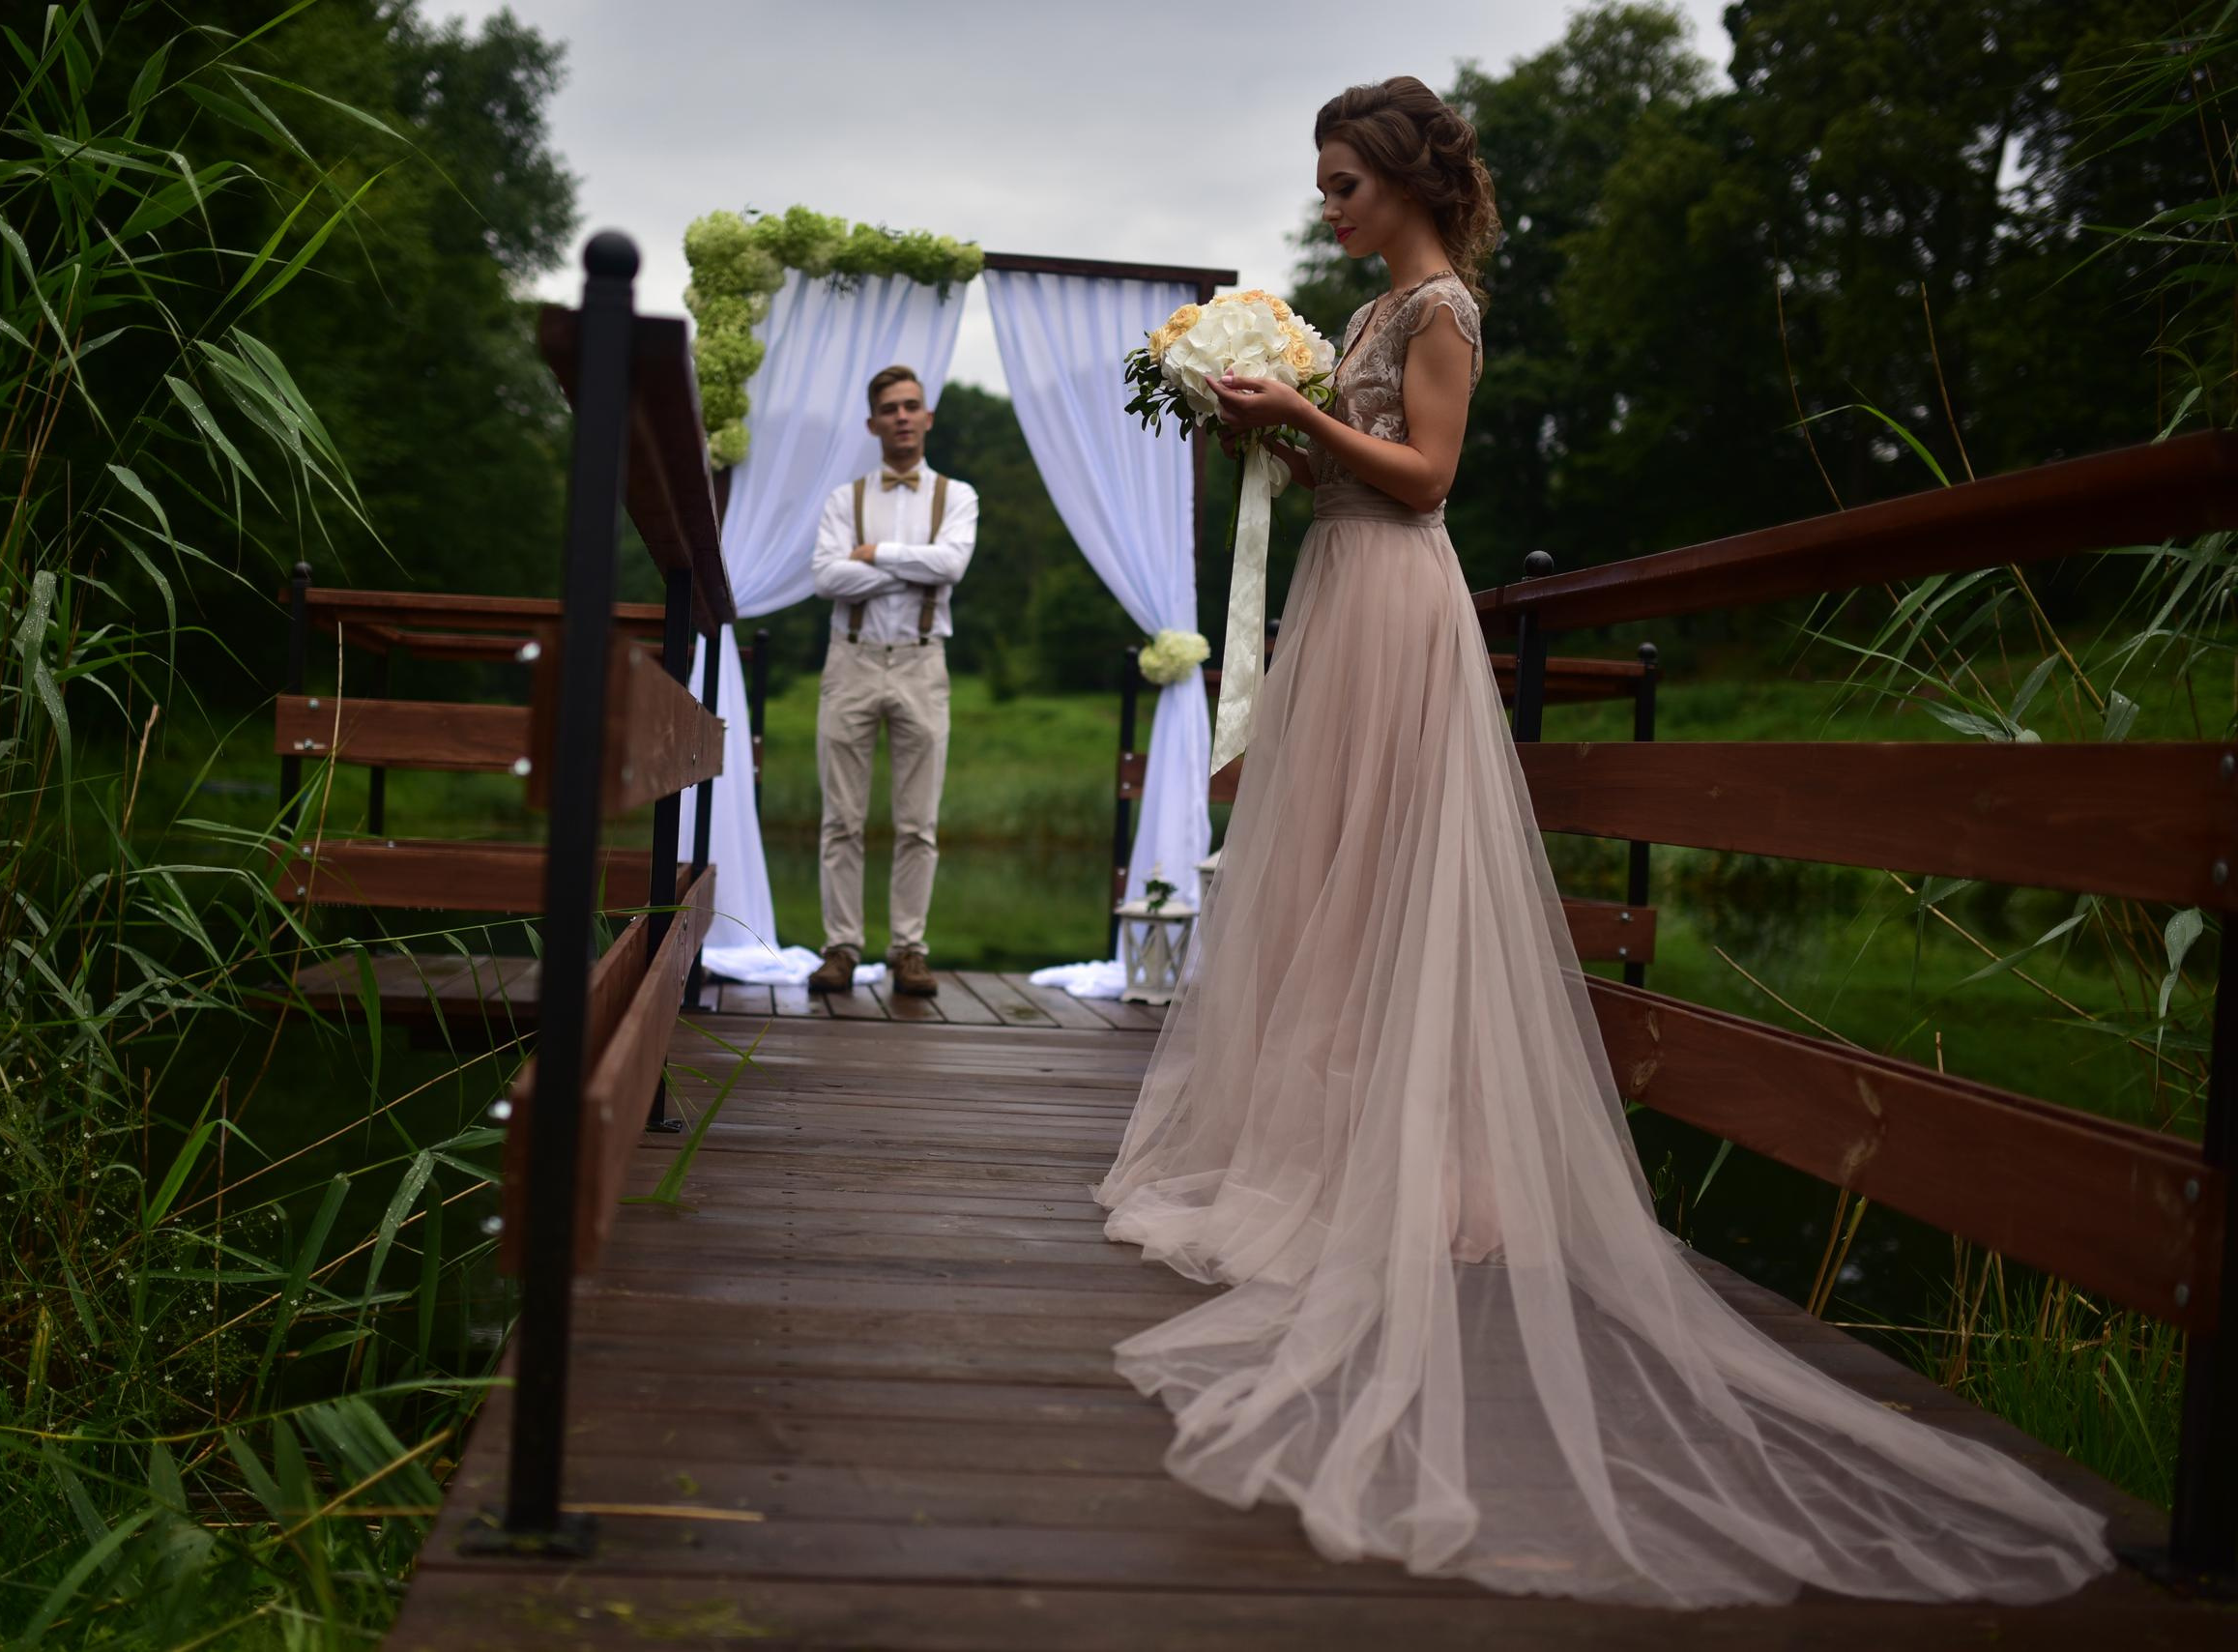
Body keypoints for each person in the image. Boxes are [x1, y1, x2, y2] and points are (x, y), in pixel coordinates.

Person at [1094, 76, 2113, 1607]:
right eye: (1319, 184)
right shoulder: (1367, 316)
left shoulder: (1439, 309)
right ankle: (1314, 1158)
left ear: (1403, 179)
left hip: (1403, 608)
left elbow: (1433, 481)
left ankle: (1417, 1178)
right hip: (1338, 606)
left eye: (1342, 182)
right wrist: (1269, 435)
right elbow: (1346, 469)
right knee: (1320, 888)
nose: (1327, 206)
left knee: (1385, 883)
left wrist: (1301, 414)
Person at [804, 364, 977, 999]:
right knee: (840, 819)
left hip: (922, 661)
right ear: (873, 423)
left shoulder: (957, 496)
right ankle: (840, 947)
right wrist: (916, 569)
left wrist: (873, 555)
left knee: (918, 822)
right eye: (890, 408)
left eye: (912, 405)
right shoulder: (841, 499)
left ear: (927, 417)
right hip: (848, 660)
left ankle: (909, 948)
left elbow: (952, 565)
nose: (902, 416)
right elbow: (826, 579)